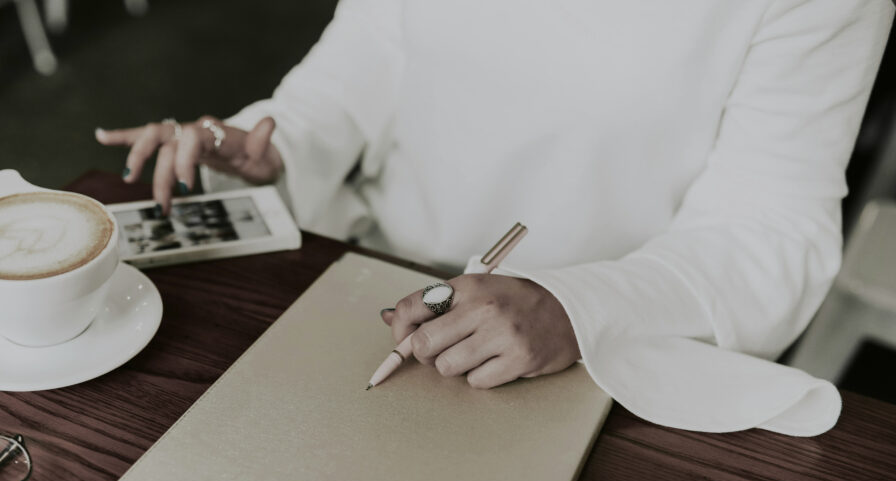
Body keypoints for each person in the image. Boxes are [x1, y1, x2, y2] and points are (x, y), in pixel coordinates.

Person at [97, 0, 893, 435]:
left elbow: (770, 228)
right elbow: (356, 72)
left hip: (604, 368)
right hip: (374, 290)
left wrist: (576, 308)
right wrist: (274, 146)